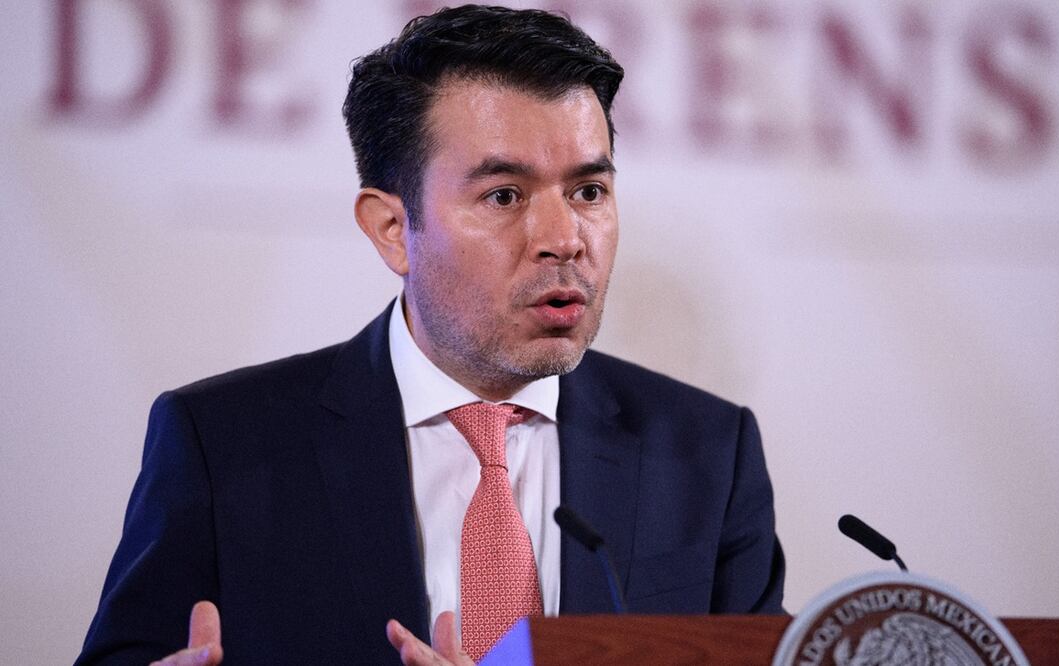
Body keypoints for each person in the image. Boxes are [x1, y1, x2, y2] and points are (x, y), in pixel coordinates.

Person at [77, 5, 785, 665]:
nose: (565, 238)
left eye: (588, 191)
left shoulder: (707, 454)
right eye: (504, 195)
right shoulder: (223, 445)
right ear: (392, 229)